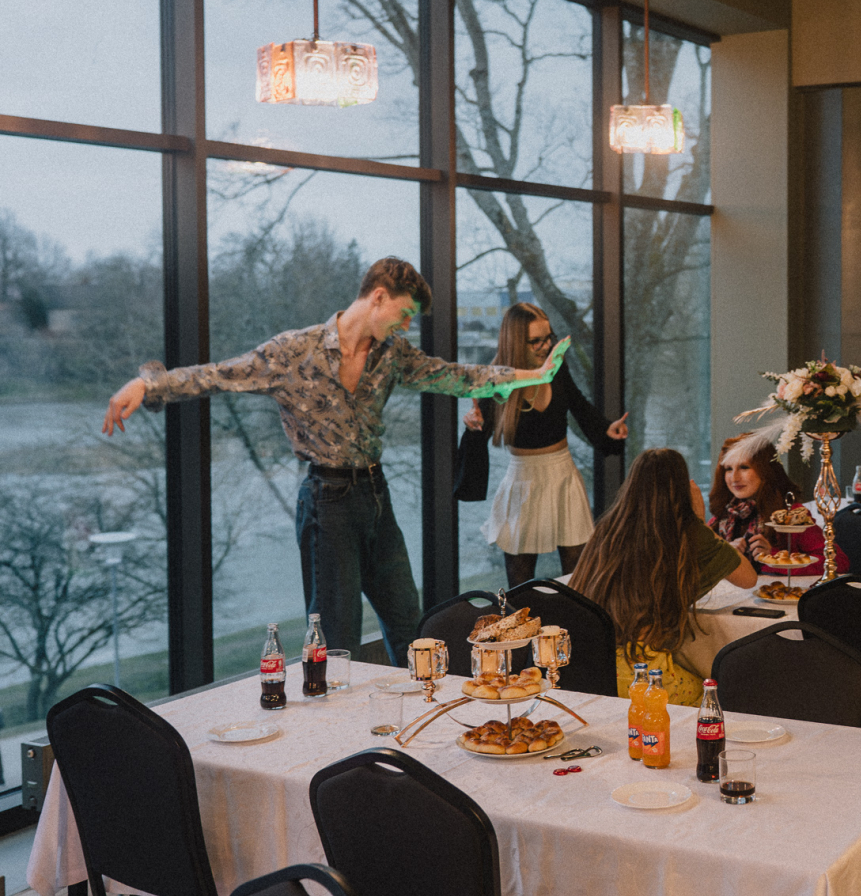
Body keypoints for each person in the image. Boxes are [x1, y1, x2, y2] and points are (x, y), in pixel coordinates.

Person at [101, 258, 556, 663]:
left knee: (412, 629)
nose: (406, 325)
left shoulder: (392, 354)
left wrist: (530, 375)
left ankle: (423, 719)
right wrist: (148, 385)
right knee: (336, 640)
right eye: (404, 313)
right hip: (327, 504)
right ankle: (339, 729)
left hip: (376, 497)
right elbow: (218, 375)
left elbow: (456, 376)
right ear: (379, 297)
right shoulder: (292, 352)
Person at [571, 448, 757, 706]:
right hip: (641, 672)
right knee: (717, 696)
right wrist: (700, 521)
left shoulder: (609, 527)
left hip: (588, 664)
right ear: (682, 488)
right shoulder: (688, 531)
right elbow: (748, 578)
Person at [462, 303, 628, 585]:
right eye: (535, 341)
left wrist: (607, 430)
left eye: (548, 337)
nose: (546, 346)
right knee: (520, 584)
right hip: (522, 482)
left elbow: (580, 407)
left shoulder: (556, 368)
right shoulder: (496, 380)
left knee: (577, 581)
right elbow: (478, 437)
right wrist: (473, 426)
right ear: (516, 341)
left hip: (563, 477)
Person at [708, 435, 846, 577]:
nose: (734, 478)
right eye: (728, 469)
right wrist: (723, 557)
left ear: (765, 470)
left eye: (744, 467)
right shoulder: (721, 517)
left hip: (777, 590)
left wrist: (774, 558)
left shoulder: (791, 515)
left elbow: (838, 562)